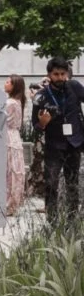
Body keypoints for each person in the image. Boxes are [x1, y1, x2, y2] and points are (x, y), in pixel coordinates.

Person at [32, 56, 84, 220]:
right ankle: (52, 221)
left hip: (74, 143)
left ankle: (72, 220)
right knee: (51, 183)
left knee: (73, 184)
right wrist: (42, 123)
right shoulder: (41, 96)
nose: (60, 77)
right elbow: (35, 127)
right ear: (49, 74)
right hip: (54, 146)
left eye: (63, 74)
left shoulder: (74, 87)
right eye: (56, 74)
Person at [4, 75, 28, 215]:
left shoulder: (10, 103)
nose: (5, 83)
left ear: (14, 86)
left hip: (8, 137)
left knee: (9, 171)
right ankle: (12, 203)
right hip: (15, 137)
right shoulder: (18, 101)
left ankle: (8, 202)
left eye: (8, 82)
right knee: (14, 170)